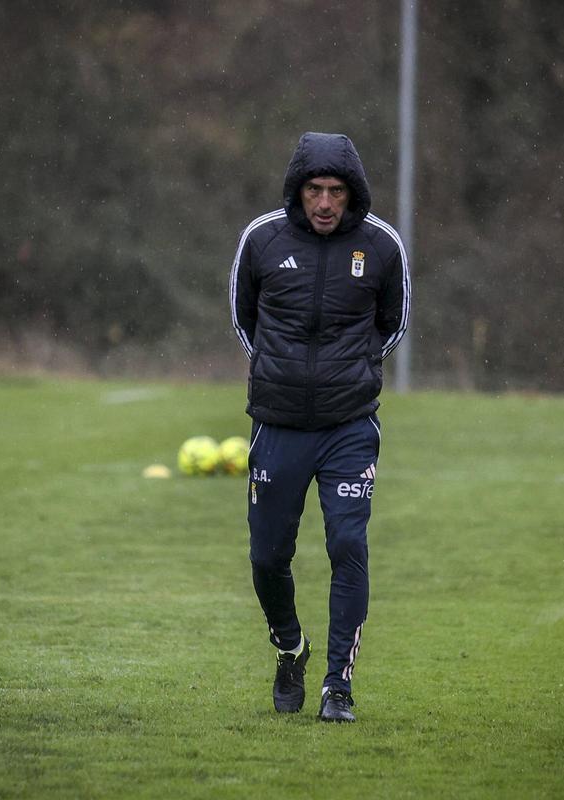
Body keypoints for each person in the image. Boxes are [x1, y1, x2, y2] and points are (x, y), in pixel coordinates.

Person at [229, 132, 412, 723]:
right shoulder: (262, 239)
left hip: (348, 427)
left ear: (351, 192)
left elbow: (393, 323)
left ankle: (339, 686)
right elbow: (244, 319)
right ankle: (290, 648)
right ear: (298, 191)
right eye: (314, 190)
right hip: (278, 426)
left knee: (348, 545)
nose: (325, 203)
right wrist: (279, 373)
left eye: (336, 190)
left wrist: (350, 373)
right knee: (267, 558)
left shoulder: (381, 246)